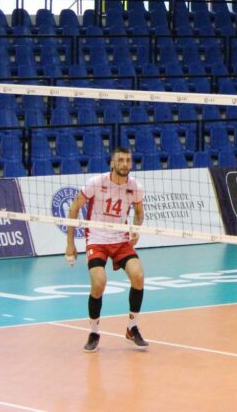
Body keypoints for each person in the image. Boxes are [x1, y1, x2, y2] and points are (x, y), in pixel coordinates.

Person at [65, 147, 148, 353]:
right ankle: (94, 332)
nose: (125, 164)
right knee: (99, 283)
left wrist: (136, 229)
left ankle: (132, 327)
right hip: (97, 239)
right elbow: (74, 207)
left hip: (120, 239)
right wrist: (70, 242)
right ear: (112, 163)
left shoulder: (135, 187)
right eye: (120, 160)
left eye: (128, 160)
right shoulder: (96, 182)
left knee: (138, 276)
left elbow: (139, 212)